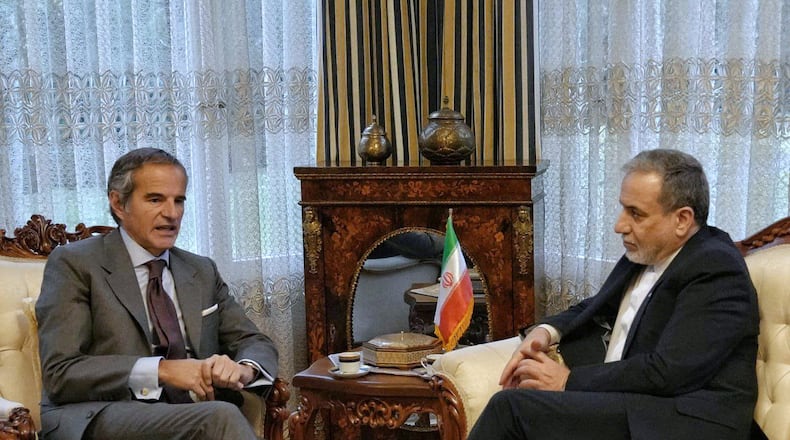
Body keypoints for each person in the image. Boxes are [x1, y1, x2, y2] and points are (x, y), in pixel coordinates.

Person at [468, 149, 760, 439]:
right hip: (636, 406)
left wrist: (568, 381)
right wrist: (546, 331)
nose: (620, 225)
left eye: (636, 214)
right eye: (623, 209)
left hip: (684, 420)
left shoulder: (716, 268)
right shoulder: (648, 251)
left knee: (511, 409)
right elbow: (599, 306)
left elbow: (669, 371)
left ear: (682, 219)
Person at [36, 148, 279, 439]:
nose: (171, 213)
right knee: (220, 417)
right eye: (155, 199)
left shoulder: (200, 270)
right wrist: (163, 371)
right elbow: (61, 372)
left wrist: (243, 369)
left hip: (192, 410)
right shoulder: (75, 264)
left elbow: (253, 340)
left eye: (179, 201)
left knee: (218, 414)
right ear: (118, 203)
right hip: (103, 412)